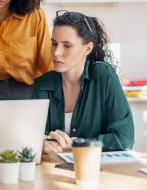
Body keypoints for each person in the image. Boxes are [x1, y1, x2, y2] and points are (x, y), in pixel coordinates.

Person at [32, 10, 134, 152]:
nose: (56, 52)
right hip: (51, 168)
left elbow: (125, 139)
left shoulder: (104, 76)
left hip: (96, 168)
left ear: (87, 49)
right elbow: (26, 139)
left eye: (67, 46)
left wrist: (79, 144)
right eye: (54, 44)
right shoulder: (40, 85)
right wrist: (40, 144)